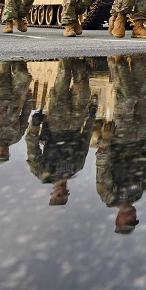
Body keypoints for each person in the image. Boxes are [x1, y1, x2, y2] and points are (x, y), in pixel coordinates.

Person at [96, 54, 146, 233]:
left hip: (121, 138)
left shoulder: (110, 196)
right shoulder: (141, 189)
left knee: (126, 98)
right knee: (143, 96)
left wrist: (105, 141)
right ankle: (138, 59)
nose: (133, 217)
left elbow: (102, 168)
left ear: (118, 219)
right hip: (141, 135)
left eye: (129, 219)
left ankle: (118, 62)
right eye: (134, 219)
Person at [26, 58, 98, 206]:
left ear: (52, 192)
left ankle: (67, 56)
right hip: (76, 123)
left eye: (58, 194)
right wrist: (91, 117)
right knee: (82, 86)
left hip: (55, 124)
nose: (62, 191)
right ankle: (79, 59)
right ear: (68, 192)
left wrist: (34, 125)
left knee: (63, 81)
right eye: (64, 194)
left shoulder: (42, 172)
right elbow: (85, 141)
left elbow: (32, 147)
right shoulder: (76, 168)